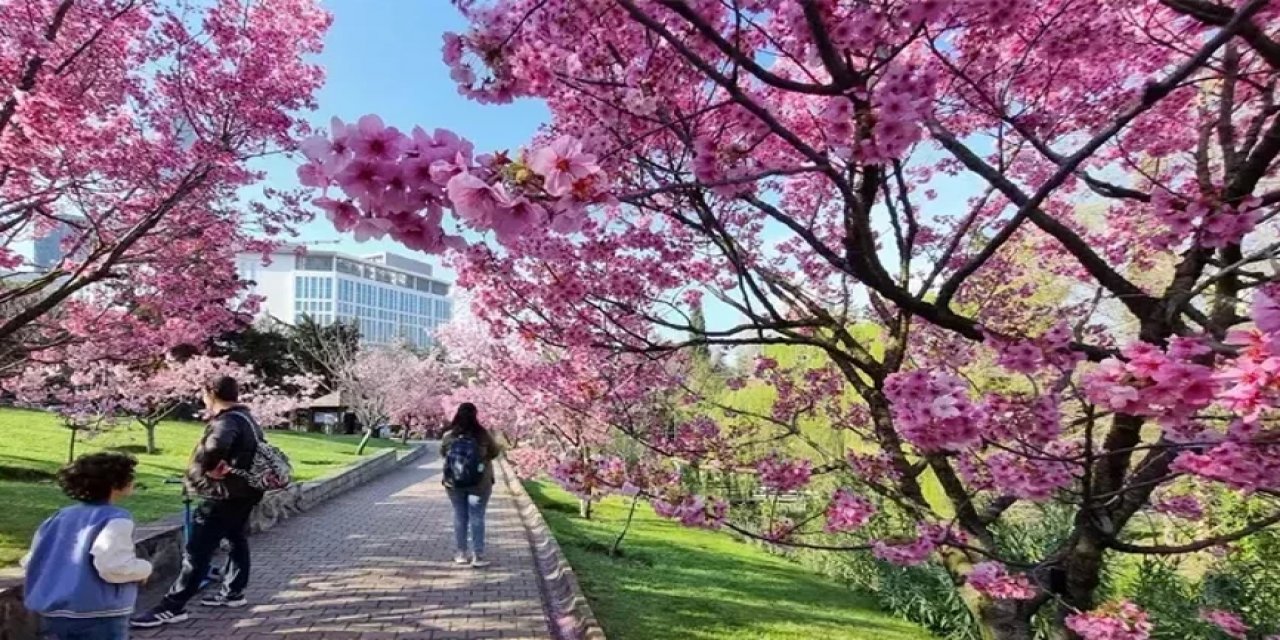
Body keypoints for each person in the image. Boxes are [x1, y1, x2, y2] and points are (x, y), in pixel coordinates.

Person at [131, 375, 264, 629]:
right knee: (236, 539)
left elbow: (216, 446)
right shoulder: (247, 418)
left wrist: (209, 468)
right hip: (243, 493)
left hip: (222, 496)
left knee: (197, 551)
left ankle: (172, 606)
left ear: (210, 394)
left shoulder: (228, 420)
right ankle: (233, 592)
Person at [23, 452, 152, 640]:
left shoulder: (58, 517)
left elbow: (33, 559)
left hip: (53, 611)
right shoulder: (117, 519)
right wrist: (144, 569)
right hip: (99, 613)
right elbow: (112, 566)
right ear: (115, 484)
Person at [440, 403, 502, 568]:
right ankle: (478, 556)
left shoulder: (449, 436)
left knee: (460, 516)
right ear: (475, 415)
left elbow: (442, 454)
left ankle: (461, 553)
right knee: (477, 517)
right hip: (480, 483)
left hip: (454, 483)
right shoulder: (483, 435)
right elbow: (495, 452)